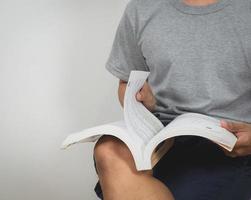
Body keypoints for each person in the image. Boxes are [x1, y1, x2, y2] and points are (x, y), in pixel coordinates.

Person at [93, 0, 251, 199]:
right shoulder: (141, 8)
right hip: (162, 136)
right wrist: (142, 103)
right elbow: (126, 83)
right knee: (107, 150)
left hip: (230, 144)